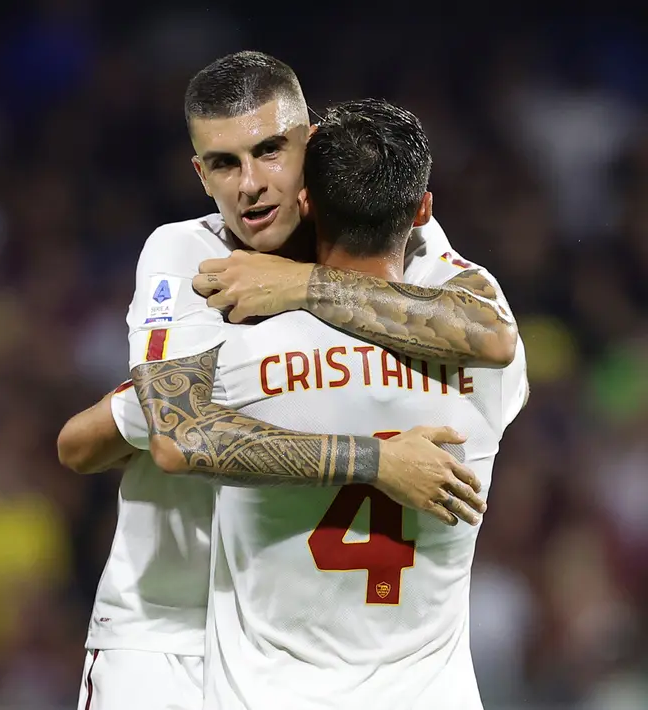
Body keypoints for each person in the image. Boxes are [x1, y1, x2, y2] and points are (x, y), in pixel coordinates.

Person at [60, 51, 515, 710]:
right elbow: (157, 439)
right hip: (167, 629)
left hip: (304, 646)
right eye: (223, 163)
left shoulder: (387, 233)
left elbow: (492, 335)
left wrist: (300, 285)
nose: (249, 184)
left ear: (312, 145)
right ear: (199, 173)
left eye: (269, 151)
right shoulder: (183, 254)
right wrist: (372, 461)